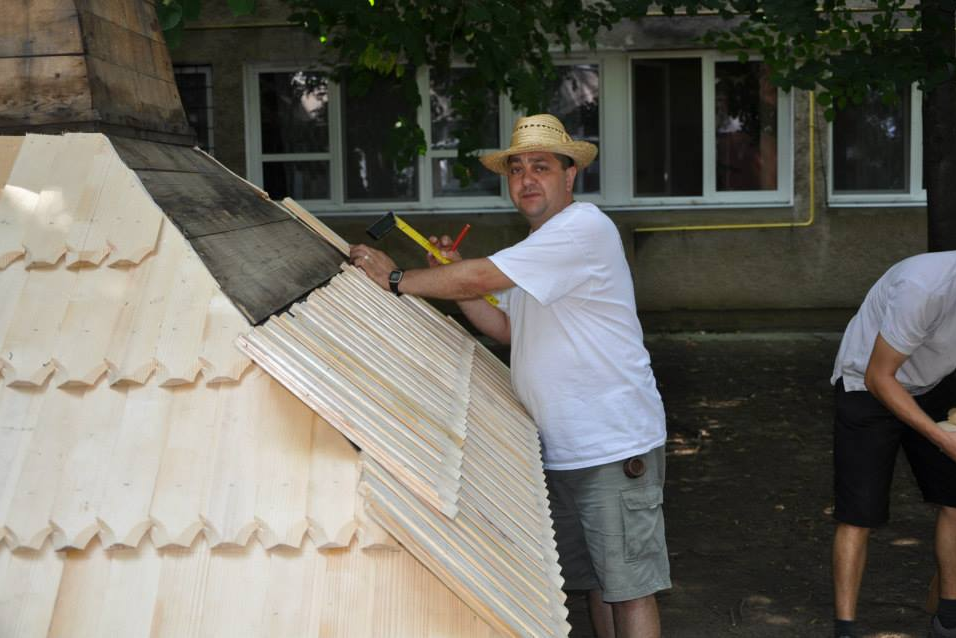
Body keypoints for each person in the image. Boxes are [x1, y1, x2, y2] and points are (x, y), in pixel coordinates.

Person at [350, 114, 670, 638]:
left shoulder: (582, 228)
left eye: (540, 167)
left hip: (612, 445)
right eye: (516, 169)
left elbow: (480, 275)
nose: (525, 179)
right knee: (595, 585)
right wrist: (457, 282)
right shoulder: (536, 252)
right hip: (565, 448)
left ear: (570, 176)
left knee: (630, 588)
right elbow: (506, 329)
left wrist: (395, 277)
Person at [829, 251, 956, 638]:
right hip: (867, 385)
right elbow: (879, 378)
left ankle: (949, 615)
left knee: (955, 498)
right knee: (859, 513)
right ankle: (845, 627)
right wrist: (942, 439)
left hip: (933, 382)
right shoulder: (924, 287)